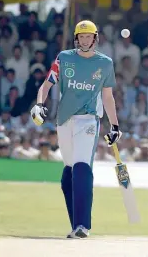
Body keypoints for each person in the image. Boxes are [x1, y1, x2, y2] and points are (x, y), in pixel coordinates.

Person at [30, 20, 122, 239]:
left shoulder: (105, 63)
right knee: (68, 174)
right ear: (76, 38)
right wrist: (39, 104)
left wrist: (115, 125)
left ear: (95, 38)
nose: (84, 40)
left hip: (88, 121)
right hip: (64, 120)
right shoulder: (64, 58)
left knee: (82, 167)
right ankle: (76, 226)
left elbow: (108, 97)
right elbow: (46, 85)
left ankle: (83, 225)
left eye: (88, 36)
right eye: (81, 37)